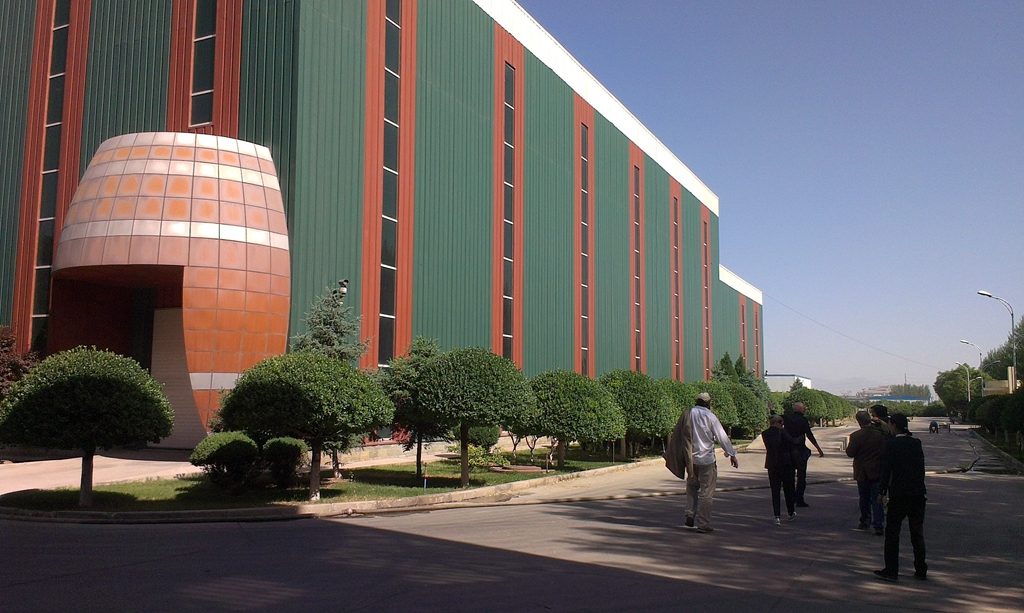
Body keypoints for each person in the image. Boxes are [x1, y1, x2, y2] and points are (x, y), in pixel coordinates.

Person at [874, 414, 927, 582]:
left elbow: (886, 470)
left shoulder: (891, 444)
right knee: (917, 533)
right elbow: (921, 469)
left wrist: (881, 491)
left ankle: (891, 570)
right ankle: (921, 569)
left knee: (892, 533)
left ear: (893, 425)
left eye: (890, 424)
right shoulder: (916, 443)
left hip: (899, 494)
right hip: (918, 493)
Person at [680, 392, 739, 533]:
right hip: (707, 460)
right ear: (708, 403)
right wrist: (731, 454)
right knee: (706, 493)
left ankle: (690, 513)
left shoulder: (688, 413)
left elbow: (679, 435)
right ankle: (703, 524)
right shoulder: (710, 416)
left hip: (691, 460)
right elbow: (722, 437)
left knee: (691, 488)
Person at [846, 410, 887, 535]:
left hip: (862, 472)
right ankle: (878, 525)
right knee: (877, 499)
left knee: (864, 498)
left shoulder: (856, 436)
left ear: (859, 421)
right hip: (877, 470)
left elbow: (850, 453)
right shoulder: (880, 435)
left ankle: (865, 521)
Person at [783, 402, 824, 507]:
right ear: (799, 409)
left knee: (790, 477)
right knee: (801, 477)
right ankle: (799, 499)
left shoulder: (786, 418)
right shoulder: (803, 420)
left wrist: (771, 409)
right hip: (800, 451)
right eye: (803, 408)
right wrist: (818, 449)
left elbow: (775, 417)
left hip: (788, 451)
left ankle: (791, 498)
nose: (805, 409)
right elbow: (809, 435)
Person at [761, 414, 798, 525]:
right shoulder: (783, 432)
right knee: (788, 489)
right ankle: (790, 512)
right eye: (782, 423)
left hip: (772, 464)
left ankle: (777, 515)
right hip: (786, 464)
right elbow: (792, 443)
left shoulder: (765, 433)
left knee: (775, 491)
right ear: (778, 423)